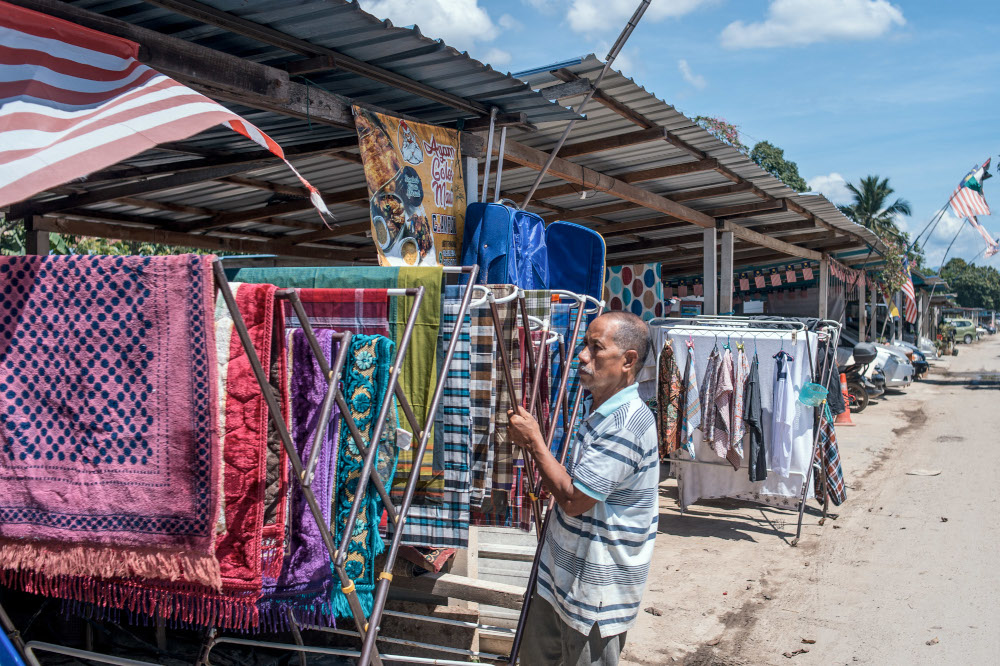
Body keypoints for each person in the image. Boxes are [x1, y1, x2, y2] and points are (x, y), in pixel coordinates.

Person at [507, 311, 658, 666]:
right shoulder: (599, 409)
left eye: (596, 348)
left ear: (628, 361)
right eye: (585, 345)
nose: (582, 355)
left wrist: (535, 442)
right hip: (562, 575)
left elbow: (575, 500)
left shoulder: (627, 424)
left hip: (596, 592)